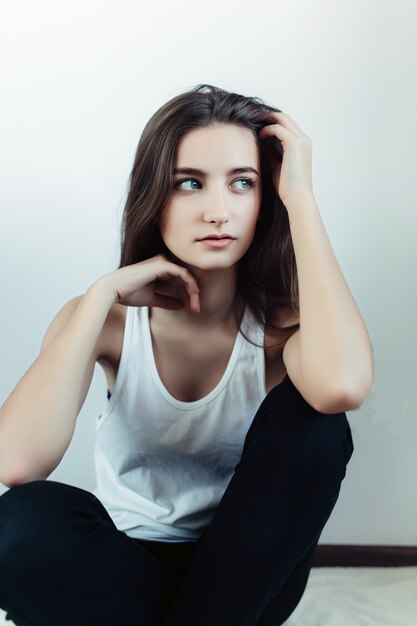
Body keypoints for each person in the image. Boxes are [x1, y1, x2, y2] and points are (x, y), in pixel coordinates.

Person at [0, 84, 373, 626]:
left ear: (265, 196)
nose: (218, 211)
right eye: (190, 184)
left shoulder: (285, 328)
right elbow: (16, 463)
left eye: (242, 183)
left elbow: (343, 386)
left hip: (246, 574)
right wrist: (101, 294)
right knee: (19, 522)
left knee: (316, 421)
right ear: (155, 195)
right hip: (124, 562)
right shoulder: (102, 320)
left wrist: (302, 200)